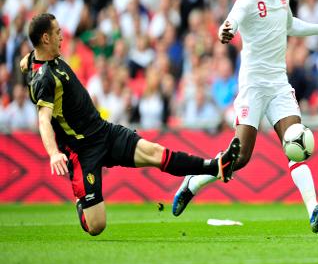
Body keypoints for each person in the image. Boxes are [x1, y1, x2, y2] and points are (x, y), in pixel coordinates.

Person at [20, 13, 241, 236]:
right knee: (96, 226)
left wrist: (27, 59)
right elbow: (43, 119)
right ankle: (81, 201)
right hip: (82, 151)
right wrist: (53, 154)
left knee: (155, 152)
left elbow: (30, 59)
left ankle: (215, 166)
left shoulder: (43, 58)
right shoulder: (44, 79)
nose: (62, 37)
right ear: (46, 38)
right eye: (57, 33)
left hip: (104, 132)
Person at [172, 0, 318, 233]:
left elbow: (290, 25)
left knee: (295, 143)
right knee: (240, 159)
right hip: (252, 86)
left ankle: (314, 209)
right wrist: (224, 33)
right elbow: (229, 24)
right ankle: (193, 181)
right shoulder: (246, 1)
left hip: (278, 84)